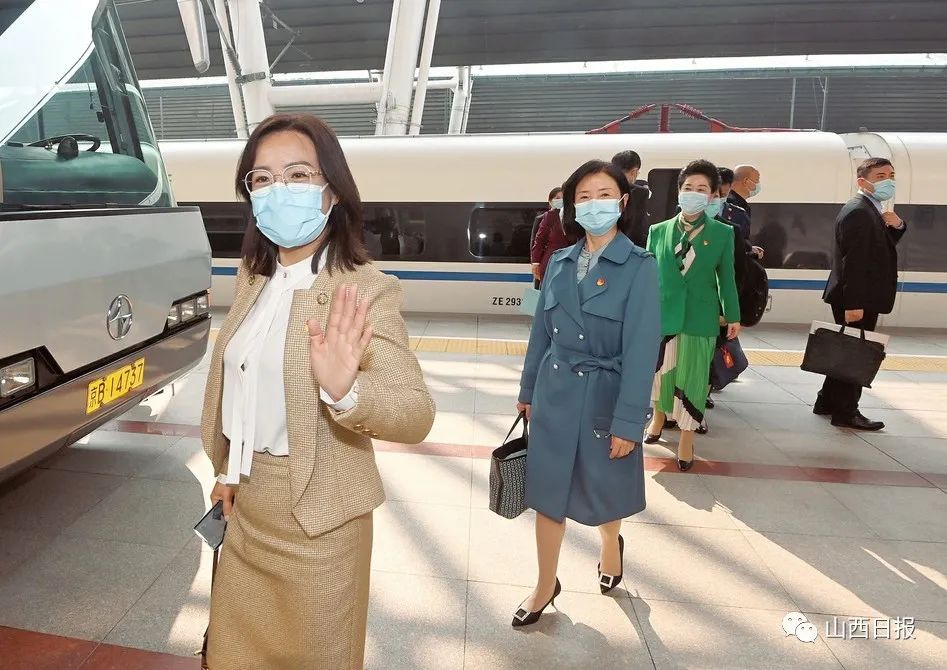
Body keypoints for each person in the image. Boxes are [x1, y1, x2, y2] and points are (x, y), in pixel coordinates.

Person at [200, 113, 436, 669]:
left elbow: (416, 414)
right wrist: (229, 470)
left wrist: (346, 391)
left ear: (333, 192)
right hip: (248, 505)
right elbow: (244, 385)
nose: (277, 189)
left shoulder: (366, 291)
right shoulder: (253, 278)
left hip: (322, 523)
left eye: (298, 174)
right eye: (262, 178)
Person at [514, 160, 661, 627]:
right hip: (556, 393)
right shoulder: (559, 262)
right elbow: (541, 334)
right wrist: (528, 390)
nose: (593, 204)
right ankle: (544, 585)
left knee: (603, 488)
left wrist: (629, 422)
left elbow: (642, 350)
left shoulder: (640, 267)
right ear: (571, 206)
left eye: (604, 195)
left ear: (622, 202)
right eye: (583, 197)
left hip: (605, 395)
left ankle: (610, 545)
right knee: (547, 493)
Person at [644, 159, 741, 470]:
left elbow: (727, 278)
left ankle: (687, 437)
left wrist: (733, 315)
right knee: (661, 373)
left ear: (712, 195)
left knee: (694, 378)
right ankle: (658, 418)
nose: (693, 193)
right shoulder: (658, 231)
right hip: (664, 316)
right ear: (679, 192)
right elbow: (649, 277)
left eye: (701, 189)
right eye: (688, 188)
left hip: (701, 317)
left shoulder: (723, 233)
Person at [816, 157, 907, 431]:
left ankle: (827, 401)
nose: (888, 181)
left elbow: (877, 248)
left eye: (891, 175)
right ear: (862, 181)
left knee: (847, 350)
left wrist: (898, 227)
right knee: (856, 355)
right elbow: (853, 262)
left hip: (859, 295)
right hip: (857, 297)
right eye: (880, 176)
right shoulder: (860, 212)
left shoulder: (869, 209)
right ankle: (846, 412)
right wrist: (854, 304)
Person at [722, 164, 764, 260]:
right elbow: (731, 242)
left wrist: (749, 248)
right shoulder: (731, 205)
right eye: (757, 180)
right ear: (746, 181)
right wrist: (749, 252)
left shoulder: (740, 204)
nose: (758, 184)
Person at [530, 186, 570, 287]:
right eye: (557, 198)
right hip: (551, 263)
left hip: (570, 262)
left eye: (563, 198)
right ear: (550, 201)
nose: (561, 200)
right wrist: (535, 262)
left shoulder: (573, 215)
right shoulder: (548, 216)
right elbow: (538, 241)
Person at [611, 150, 651, 248]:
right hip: (631, 247)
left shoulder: (605, 190)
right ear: (634, 172)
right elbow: (639, 228)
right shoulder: (640, 192)